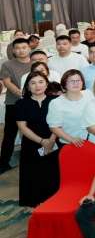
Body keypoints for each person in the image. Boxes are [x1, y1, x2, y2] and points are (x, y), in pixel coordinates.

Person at [16, 71, 60, 207]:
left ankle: (55, 203)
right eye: (33, 83)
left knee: (54, 174)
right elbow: (22, 127)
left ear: (47, 84)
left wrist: (51, 141)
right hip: (32, 144)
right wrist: (42, 142)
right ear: (28, 86)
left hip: (54, 142)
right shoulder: (21, 103)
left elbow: (60, 122)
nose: (37, 86)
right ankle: (37, 206)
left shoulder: (56, 101)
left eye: (41, 82)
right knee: (34, 176)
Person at [0, 38, 36, 172]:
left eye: (24, 47)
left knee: (34, 131)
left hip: (34, 103)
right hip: (13, 103)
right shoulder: (7, 64)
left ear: (29, 48)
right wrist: (22, 95)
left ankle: (34, 159)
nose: (21, 50)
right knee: (10, 133)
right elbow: (7, 82)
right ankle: (4, 162)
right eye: (18, 48)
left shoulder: (35, 63)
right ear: (13, 51)